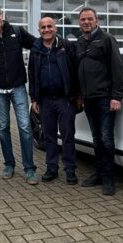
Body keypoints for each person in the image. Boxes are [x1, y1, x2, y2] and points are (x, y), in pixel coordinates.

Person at [0, 3, 38, 184]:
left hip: (18, 87)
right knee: (3, 128)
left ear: (2, 14)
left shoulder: (17, 31)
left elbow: (37, 45)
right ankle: (9, 164)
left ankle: (29, 168)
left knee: (25, 127)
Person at [75, 7, 123, 196]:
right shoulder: (80, 42)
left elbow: (118, 69)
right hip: (88, 100)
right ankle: (98, 173)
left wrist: (116, 96)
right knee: (96, 138)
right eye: (83, 19)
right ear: (79, 22)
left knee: (106, 139)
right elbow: (78, 70)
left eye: (90, 19)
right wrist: (79, 95)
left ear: (97, 20)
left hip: (105, 99)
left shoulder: (107, 39)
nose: (86, 22)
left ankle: (109, 179)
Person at [28, 15, 80, 185]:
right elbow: (32, 75)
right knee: (49, 136)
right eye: (43, 27)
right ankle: (51, 168)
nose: (47, 30)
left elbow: (76, 71)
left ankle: (70, 170)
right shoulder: (35, 50)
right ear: (39, 31)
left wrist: (78, 95)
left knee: (68, 135)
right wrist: (34, 98)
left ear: (55, 28)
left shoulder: (66, 46)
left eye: (49, 26)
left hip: (65, 99)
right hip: (45, 100)